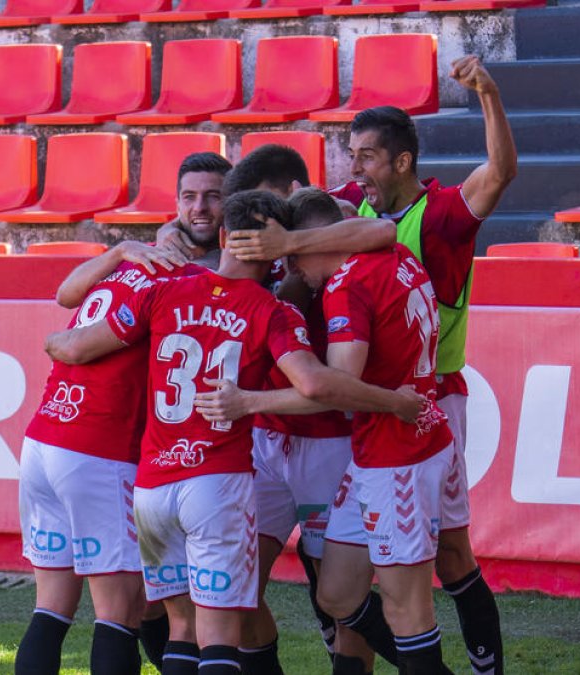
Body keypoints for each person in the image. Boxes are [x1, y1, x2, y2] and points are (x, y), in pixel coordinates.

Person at [45, 190, 425, 675]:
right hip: (216, 482)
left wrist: (54, 341)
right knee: (221, 637)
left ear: (223, 236)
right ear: (278, 250)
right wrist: (392, 401)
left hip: (154, 484)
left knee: (181, 626)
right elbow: (315, 384)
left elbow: (79, 341)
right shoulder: (273, 310)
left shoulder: (167, 285)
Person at [227, 56, 517, 675]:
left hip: (416, 406)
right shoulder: (355, 213)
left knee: (443, 566)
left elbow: (499, 174)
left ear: (402, 161)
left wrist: (489, 93)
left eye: (363, 156)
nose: (352, 169)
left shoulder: (435, 218)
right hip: (385, 419)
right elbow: (339, 221)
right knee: (342, 589)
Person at [199, 187, 457, 674]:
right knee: (336, 594)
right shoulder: (392, 251)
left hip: (398, 453)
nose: (292, 271)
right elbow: (379, 227)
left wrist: (247, 402)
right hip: (379, 449)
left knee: (407, 608)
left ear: (316, 241)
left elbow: (332, 385)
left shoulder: (345, 285)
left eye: (295, 258)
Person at [15, 153, 231, 675]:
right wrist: (62, 342)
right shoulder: (174, 275)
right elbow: (75, 341)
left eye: (212, 197)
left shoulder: (140, 260)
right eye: (189, 197)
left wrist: (119, 253)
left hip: (44, 441)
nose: (199, 207)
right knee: (122, 611)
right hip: (97, 449)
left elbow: (66, 295)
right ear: (175, 203)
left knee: (53, 608)